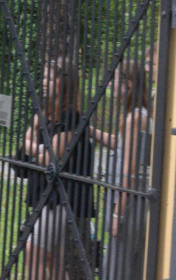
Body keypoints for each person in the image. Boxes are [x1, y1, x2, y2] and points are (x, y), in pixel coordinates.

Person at [16, 57, 95, 280]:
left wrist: (36, 148)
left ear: (64, 82)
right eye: (44, 76)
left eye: (50, 78)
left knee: (33, 251)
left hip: (60, 197)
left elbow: (49, 158)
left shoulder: (72, 117)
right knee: (53, 259)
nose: (44, 81)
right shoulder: (44, 111)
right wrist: (39, 148)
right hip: (44, 191)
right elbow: (26, 143)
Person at [92, 59, 151, 278]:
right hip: (132, 201)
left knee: (116, 268)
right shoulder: (140, 115)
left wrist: (118, 214)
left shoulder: (135, 118)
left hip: (128, 203)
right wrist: (90, 130)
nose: (109, 85)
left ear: (128, 84)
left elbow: (130, 171)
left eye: (114, 79)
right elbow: (121, 143)